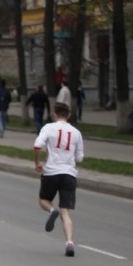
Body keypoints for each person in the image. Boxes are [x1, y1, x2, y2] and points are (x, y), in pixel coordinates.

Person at [33, 102, 84, 257]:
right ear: (69, 115)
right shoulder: (76, 133)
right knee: (66, 212)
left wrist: (37, 163)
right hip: (69, 174)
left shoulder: (48, 128)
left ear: (54, 115)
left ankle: (51, 210)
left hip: (51, 172)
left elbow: (37, 146)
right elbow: (79, 158)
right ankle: (69, 242)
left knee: (43, 200)